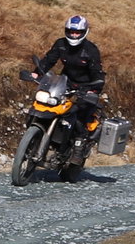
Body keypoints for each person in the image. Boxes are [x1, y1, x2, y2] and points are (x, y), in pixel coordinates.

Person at [33, 14, 104, 164]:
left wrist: (94, 89)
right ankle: (36, 137)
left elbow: (97, 72)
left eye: (77, 32)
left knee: (78, 114)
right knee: (47, 105)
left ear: (84, 32)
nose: (74, 35)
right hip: (65, 82)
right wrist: (37, 73)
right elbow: (49, 60)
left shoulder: (91, 50)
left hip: (86, 86)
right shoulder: (61, 44)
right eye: (71, 32)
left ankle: (78, 148)